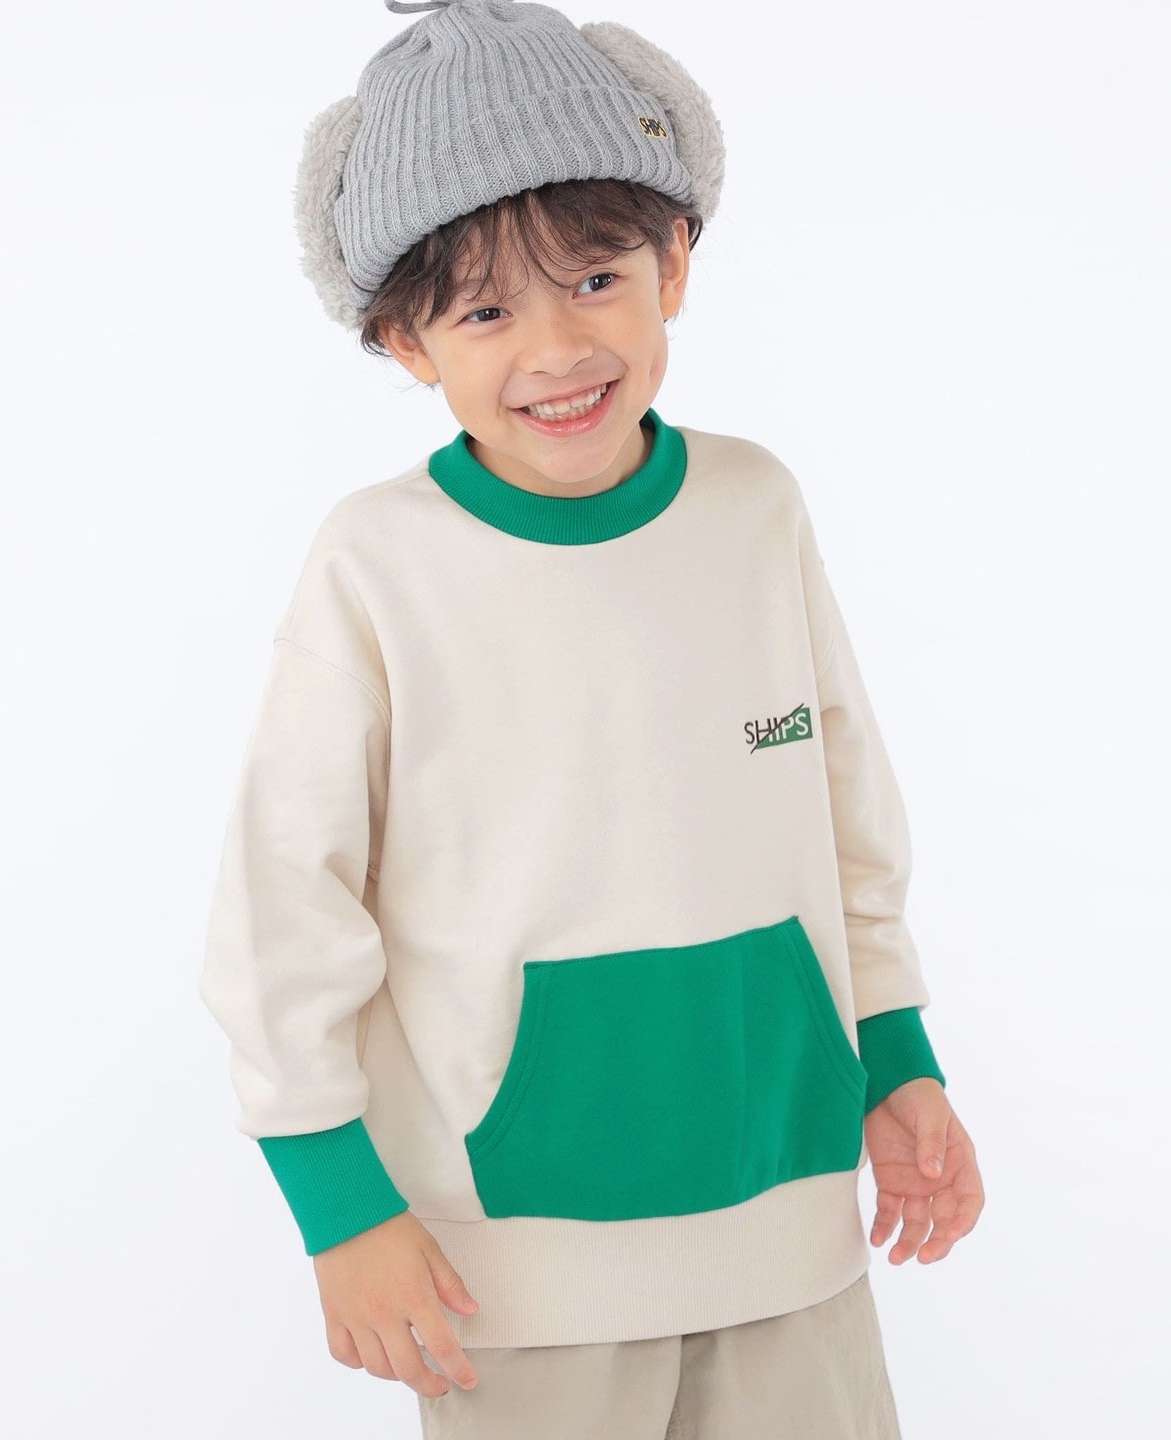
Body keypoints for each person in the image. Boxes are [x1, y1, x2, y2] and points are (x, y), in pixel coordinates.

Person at [198, 2, 986, 1436]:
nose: (557, 347)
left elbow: (846, 821)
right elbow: (283, 904)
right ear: (404, 340)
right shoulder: (379, 564)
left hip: (791, 1219)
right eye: (485, 311)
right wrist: (337, 1202)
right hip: (507, 1267)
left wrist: (897, 1056)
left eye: (597, 278)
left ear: (675, 263)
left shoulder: (754, 509)